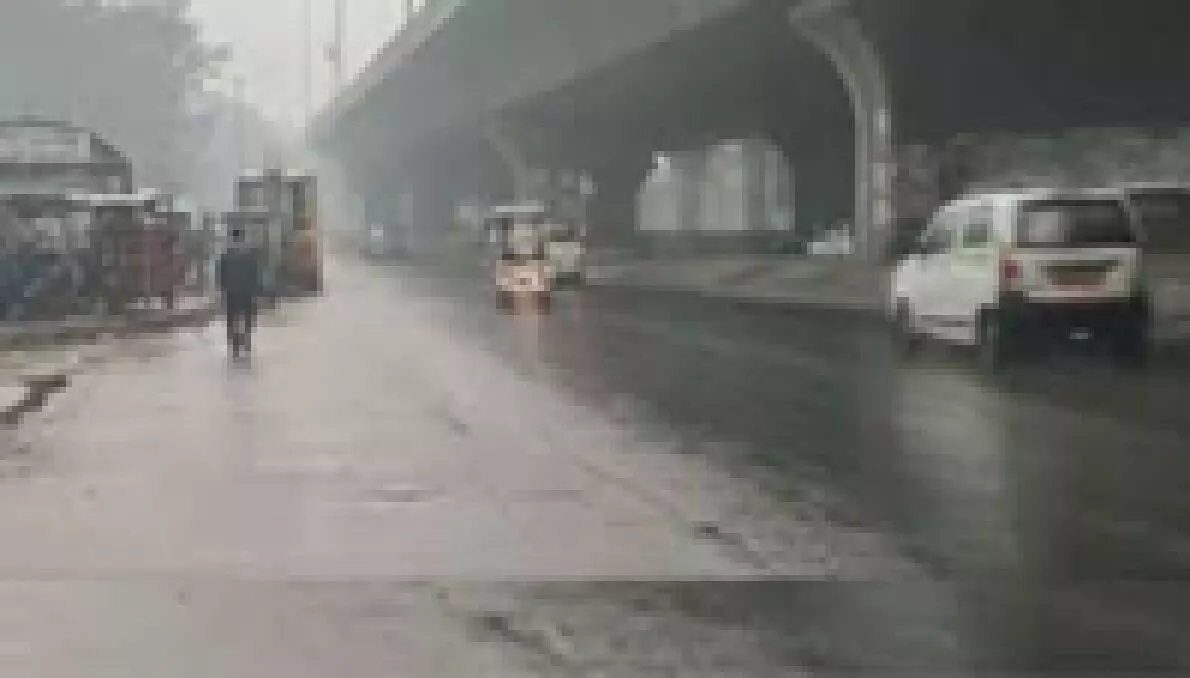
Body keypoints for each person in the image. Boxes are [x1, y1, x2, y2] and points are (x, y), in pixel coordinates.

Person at [216, 227, 262, 357]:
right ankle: (247, 340)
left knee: (231, 317)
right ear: (242, 237)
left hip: (231, 291)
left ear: (232, 237)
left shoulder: (226, 253)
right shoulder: (250, 253)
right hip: (247, 290)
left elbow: (221, 274)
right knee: (247, 316)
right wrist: (255, 289)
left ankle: (235, 344)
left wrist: (223, 288)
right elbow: (254, 272)